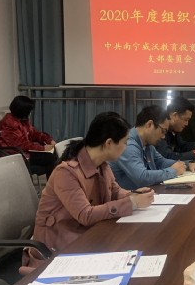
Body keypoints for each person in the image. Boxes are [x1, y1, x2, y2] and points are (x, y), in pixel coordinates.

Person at [23, 112, 155, 270]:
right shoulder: (66, 172)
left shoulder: (102, 165)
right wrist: (131, 203)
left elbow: (114, 191)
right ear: (109, 143)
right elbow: (85, 215)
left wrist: (134, 195)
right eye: (124, 143)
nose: (125, 148)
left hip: (85, 236)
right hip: (56, 250)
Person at [109, 105, 195, 190]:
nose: (163, 137)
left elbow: (161, 162)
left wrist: (186, 165)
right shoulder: (128, 145)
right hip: (126, 199)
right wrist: (173, 171)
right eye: (163, 131)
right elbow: (142, 178)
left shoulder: (147, 144)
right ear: (149, 124)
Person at [0, 95, 57, 178]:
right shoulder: (9, 123)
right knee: (50, 158)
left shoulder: (22, 120)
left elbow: (34, 134)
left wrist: (49, 140)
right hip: (15, 154)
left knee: (54, 154)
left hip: (24, 151)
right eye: (29, 111)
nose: (30, 113)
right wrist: (42, 148)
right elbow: (20, 145)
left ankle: (54, 184)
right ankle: (52, 185)